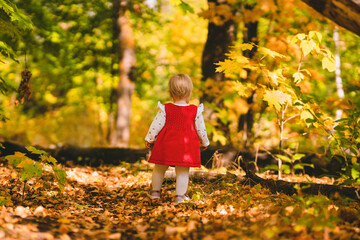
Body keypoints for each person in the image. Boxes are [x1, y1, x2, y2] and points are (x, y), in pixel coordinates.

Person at [145, 73, 210, 203]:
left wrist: (149, 138)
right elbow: (201, 129)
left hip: (166, 144)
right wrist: (204, 142)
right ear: (189, 92)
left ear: (170, 93)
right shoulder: (195, 111)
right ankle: (180, 196)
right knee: (183, 171)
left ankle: (155, 192)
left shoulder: (165, 109)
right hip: (185, 148)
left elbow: (156, 126)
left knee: (159, 168)